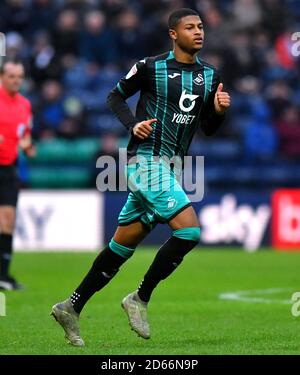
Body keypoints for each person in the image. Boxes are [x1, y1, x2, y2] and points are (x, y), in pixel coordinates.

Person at [51, 8, 231, 347]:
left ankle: (70, 306)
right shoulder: (151, 67)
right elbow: (114, 96)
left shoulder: (209, 75)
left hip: (172, 167)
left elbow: (207, 127)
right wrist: (132, 124)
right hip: (145, 161)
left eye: (201, 26)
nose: (199, 31)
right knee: (189, 230)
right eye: (190, 27)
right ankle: (140, 297)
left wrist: (219, 112)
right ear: (173, 34)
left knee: (121, 247)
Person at [0, 59, 35, 290]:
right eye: (12, 76)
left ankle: (3, 275)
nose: (16, 80)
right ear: (2, 76)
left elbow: (26, 137)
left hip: (8, 168)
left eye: (20, 76)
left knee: (8, 221)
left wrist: (27, 147)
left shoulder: (24, 105)